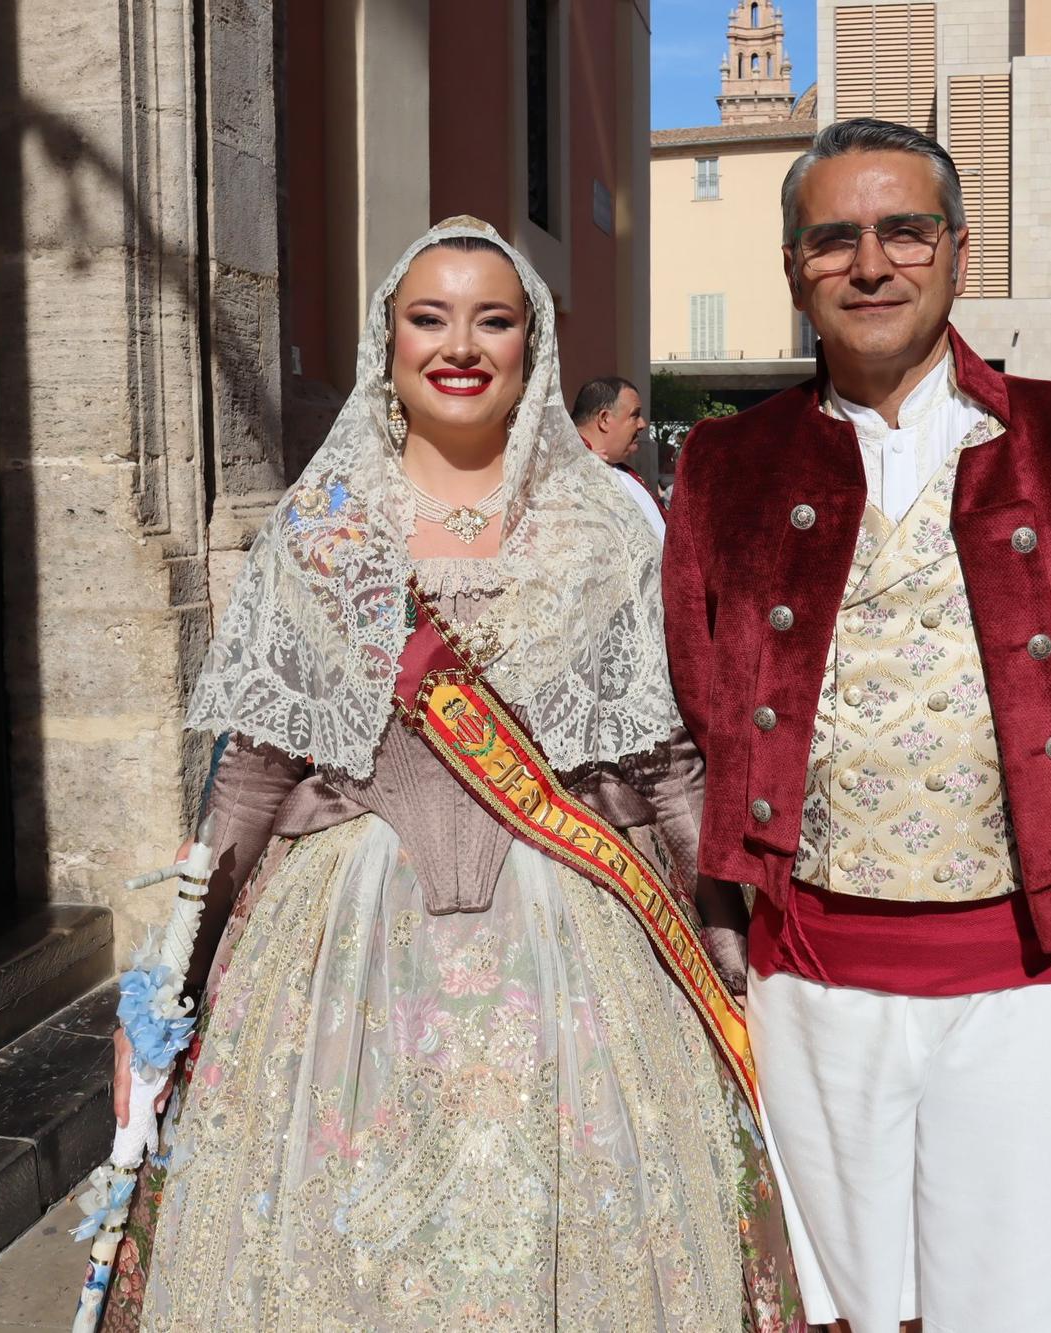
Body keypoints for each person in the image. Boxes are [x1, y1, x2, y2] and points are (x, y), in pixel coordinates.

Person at [99, 218, 801, 1330]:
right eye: (428, 317)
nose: (459, 344)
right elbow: (255, 772)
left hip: (570, 937)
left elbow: (664, 764)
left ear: (535, 345)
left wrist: (732, 938)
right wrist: (173, 973)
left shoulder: (602, 530)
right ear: (389, 341)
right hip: (341, 946)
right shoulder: (318, 530)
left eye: (493, 318)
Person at [662, 117, 1051, 1332]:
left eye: (903, 230)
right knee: (832, 1291)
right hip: (810, 964)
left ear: (955, 253)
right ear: (792, 269)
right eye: (831, 239)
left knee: (1011, 1291)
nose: (869, 263)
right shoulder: (721, 464)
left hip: (1020, 962)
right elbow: (701, 684)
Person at [572, 374, 665, 536]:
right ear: (604, 419)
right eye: (635, 415)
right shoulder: (565, 473)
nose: (643, 424)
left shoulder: (624, 471)